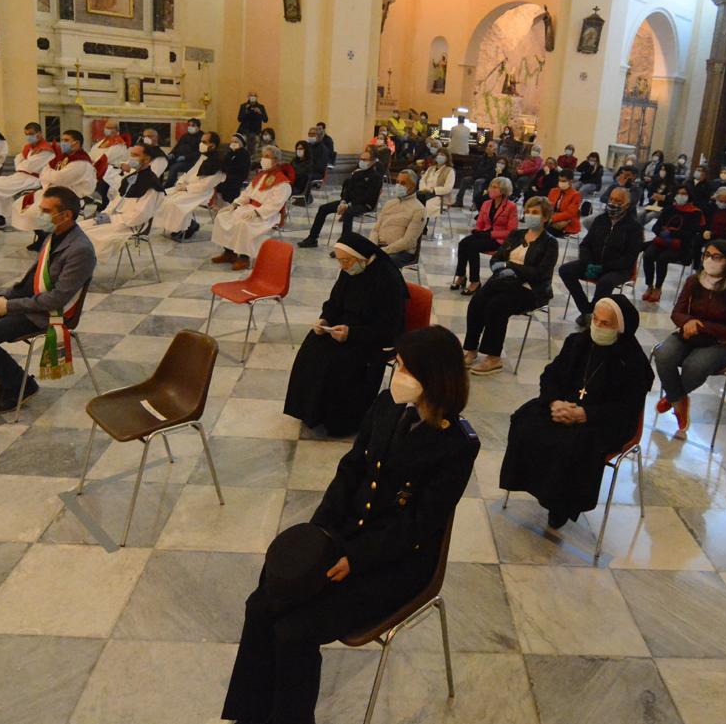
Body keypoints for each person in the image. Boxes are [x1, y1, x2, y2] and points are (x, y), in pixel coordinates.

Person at [226, 325, 477, 724]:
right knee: (261, 605)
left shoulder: (457, 444)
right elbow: (351, 472)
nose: (398, 373)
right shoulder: (387, 404)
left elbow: (417, 525)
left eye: (407, 368)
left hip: (396, 564)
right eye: (399, 364)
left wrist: (355, 558)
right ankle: (250, 714)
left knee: (295, 630)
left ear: (435, 378)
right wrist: (320, 534)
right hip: (345, 535)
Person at [500, 294, 653, 527]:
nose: (598, 327)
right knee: (525, 421)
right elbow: (551, 374)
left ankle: (559, 506)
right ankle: (529, 483)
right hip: (565, 405)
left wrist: (585, 414)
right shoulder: (577, 342)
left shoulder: (631, 361)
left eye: (606, 324)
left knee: (573, 444)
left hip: (605, 421)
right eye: (596, 320)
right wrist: (554, 402)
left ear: (620, 328)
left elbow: (627, 407)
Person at [0, 186, 97, 411]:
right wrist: (6, 296)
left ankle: (18, 384)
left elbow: (56, 299)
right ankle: (12, 379)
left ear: (66, 215)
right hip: (29, 302)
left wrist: (10, 306)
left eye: (46, 211)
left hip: (47, 314)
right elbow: (34, 278)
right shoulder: (54, 234)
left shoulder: (80, 249)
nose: (40, 215)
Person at [283, 232, 408, 436]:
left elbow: (387, 328)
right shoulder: (350, 270)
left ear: (362, 257)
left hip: (373, 338)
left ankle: (341, 422)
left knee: (336, 361)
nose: (342, 266)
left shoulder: (388, 278)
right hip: (344, 328)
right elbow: (334, 302)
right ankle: (310, 412)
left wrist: (352, 334)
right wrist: (325, 320)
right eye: (340, 261)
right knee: (313, 345)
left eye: (346, 261)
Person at [652, 239, 726, 439]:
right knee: (664, 354)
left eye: (716, 256)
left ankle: (672, 399)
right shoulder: (694, 281)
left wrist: (701, 326)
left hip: (721, 343)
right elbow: (676, 312)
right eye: (707, 255)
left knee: (695, 366)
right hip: (689, 335)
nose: (710, 260)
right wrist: (688, 321)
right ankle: (680, 400)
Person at [464, 195, 558, 376]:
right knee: (477, 301)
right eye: (528, 211)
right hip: (504, 282)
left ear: (545, 217)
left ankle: (493, 358)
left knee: (496, 306)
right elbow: (497, 258)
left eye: (535, 212)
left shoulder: (550, 243)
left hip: (530, 289)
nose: (530, 215)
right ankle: (471, 349)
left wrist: (511, 266)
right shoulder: (516, 235)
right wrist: (501, 268)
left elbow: (540, 273)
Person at [559, 187, 643, 327]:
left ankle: (595, 315)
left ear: (626, 205)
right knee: (565, 270)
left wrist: (603, 268)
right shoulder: (600, 220)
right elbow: (585, 245)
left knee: (605, 282)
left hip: (618, 269)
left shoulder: (634, 227)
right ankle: (587, 310)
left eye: (618, 201)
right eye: (611, 199)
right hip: (593, 263)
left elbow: (629, 259)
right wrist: (589, 263)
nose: (613, 203)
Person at [11, 130, 96, 251]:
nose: (62, 143)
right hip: (54, 191)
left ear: (76, 143)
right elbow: (44, 172)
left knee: (35, 212)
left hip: (70, 197)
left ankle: (51, 240)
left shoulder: (81, 162)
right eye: (62, 140)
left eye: (66, 140)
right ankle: (42, 237)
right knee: (19, 204)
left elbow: (60, 178)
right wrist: (51, 177)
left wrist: (51, 176)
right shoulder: (63, 157)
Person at [81, 143, 166, 264]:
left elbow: (140, 215)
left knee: (88, 237)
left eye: (136, 155)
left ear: (147, 159)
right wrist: (105, 214)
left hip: (130, 226)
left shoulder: (152, 185)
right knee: (79, 228)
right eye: (131, 154)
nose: (131, 158)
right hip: (116, 218)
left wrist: (112, 219)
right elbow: (116, 201)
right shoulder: (131, 178)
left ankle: (83, 269)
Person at [212, 145, 292, 270]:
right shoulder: (261, 176)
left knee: (243, 224)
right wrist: (235, 204)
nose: (263, 159)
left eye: (267, 157)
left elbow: (275, 205)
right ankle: (229, 253)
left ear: (276, 160)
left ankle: (244, 258)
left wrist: (257, 212)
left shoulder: (282, 183)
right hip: (249, 207)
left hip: (266, 215)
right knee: (223, 217)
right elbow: (247, 193)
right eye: (263, 156)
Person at [299, 148, 384, 248]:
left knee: (348, 213)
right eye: (361, 159)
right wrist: (343, 201)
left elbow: (368, 197)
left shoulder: (376, 177)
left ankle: (344, 245)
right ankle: (312, 238)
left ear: (373, 161)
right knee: (323, 208)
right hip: (348, 203)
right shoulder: (357, 173)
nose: (362, 161)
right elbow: (348, 191)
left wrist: (348, 205)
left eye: (365, 159)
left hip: (365, 205)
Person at [0, 123, 55, 229]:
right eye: (26, 134)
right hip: (21, 176)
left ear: (39, 134)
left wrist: (22, 163)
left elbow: (28, 166)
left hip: (32, 179)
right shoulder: (30, 147)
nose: (28, 136)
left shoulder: (46, 150)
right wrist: (22, 163)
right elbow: (18, 161)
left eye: (31, 134)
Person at [451, 176, 518, 294]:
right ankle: (461, 276)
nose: (491, 189)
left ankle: (475, 281)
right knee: (463, 243)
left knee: (473, 247)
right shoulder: (486, 203)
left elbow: (512, 231)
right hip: (484, 235)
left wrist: (490, 234)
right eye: (491, 186)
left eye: (495, 187)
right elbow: (480, 222)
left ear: (503, 190)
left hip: (499, 240)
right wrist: (477, 231)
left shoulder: (511, 206)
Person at [156, 131, 225, 241]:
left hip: (202, 192)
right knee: (164, 197)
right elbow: (190, 172)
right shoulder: (203, 157)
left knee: (175, 204)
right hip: (189, 187)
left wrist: (187, 188)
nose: (200, 144)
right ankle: (180, 227)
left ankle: (189, 226)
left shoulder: (217, 162)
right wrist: (181, 183)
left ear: (212, 145)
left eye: (204, 142)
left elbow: (207, 184)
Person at [641, 186, 703, 303]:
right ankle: (649, 285)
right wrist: (662, 232)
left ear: (689, 196)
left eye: (684, 194)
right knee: (648, 255)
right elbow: (656, 226)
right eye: (679, 193)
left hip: (681, 245)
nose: (681, 196)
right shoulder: (669, 209)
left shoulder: (695, 213)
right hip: (662, 241)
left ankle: (658, 288)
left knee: (662, 258)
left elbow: (691, 233)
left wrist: (672, 233)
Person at [371, 169, 425, 268]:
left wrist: (383, 251)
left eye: (403, 183)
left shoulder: (419, 209)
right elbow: (375, 229)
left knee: (376, 264)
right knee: (354, 259)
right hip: (380, 247)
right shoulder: (389, 204)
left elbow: (408, 241)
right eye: (397, 182)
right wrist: (373, 247)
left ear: (412, 185)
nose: (398, 186)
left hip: (401, 252)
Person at [454, 142, 498, 209]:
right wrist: (475, 174)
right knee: (465, 180)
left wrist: (480, 174)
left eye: (490, 146)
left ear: (494, 150)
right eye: (487, 146)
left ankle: (475, 203)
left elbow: (492, 173)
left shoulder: (495, 161)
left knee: (478, 182)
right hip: (476, 176)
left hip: (487, 179)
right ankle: (459, 201)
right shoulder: (481, 158)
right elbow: (474, 168)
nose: (487, 147)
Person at [416, 150, 455, 219]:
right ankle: (419, 225)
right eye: (438, 154)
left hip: (438, 195)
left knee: (423, 205)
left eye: (442, 155)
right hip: (424, 193)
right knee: (415, 201)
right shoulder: (431, 168)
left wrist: (432, 190)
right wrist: (423, 189)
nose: (440, 156)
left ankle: (423, 227)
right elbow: (422, 180)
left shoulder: (450, 171)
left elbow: (448, 188)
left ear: (447, 158)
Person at [165, 118, 203, 184]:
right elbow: (177, 146)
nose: (190, 127)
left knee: (174, 168)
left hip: (191, 161)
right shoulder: (185, 136)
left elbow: (199, 152)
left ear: (198, 127)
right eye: (189, 125)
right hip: (178, 157)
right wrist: (172, 153)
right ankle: (157, 184)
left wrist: (185, 157)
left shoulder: (202, 137)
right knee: (163, 162)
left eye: (193, 125)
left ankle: (168, 187)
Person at [217, 134, 252, 203]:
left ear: (242, 143)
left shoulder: (244, 154)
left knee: (229, 184)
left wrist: (228, 169)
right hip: (227, 175)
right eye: (232, 141)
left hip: (237, 177)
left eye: (236, 142)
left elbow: (241, 169)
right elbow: (224, 163)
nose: (233, 143)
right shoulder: (230, 153)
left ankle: (229, 203)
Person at [546, 169, 582, 237]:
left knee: (544, 232)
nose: (560, 183)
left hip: (566, 224)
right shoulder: (553, 191)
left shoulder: (576, 195)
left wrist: (552, 218)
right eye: (559, 180)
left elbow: (569, 213)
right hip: (551, 220)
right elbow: (547, 207)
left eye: (563, 181)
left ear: (570, 182)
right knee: (536, 227)